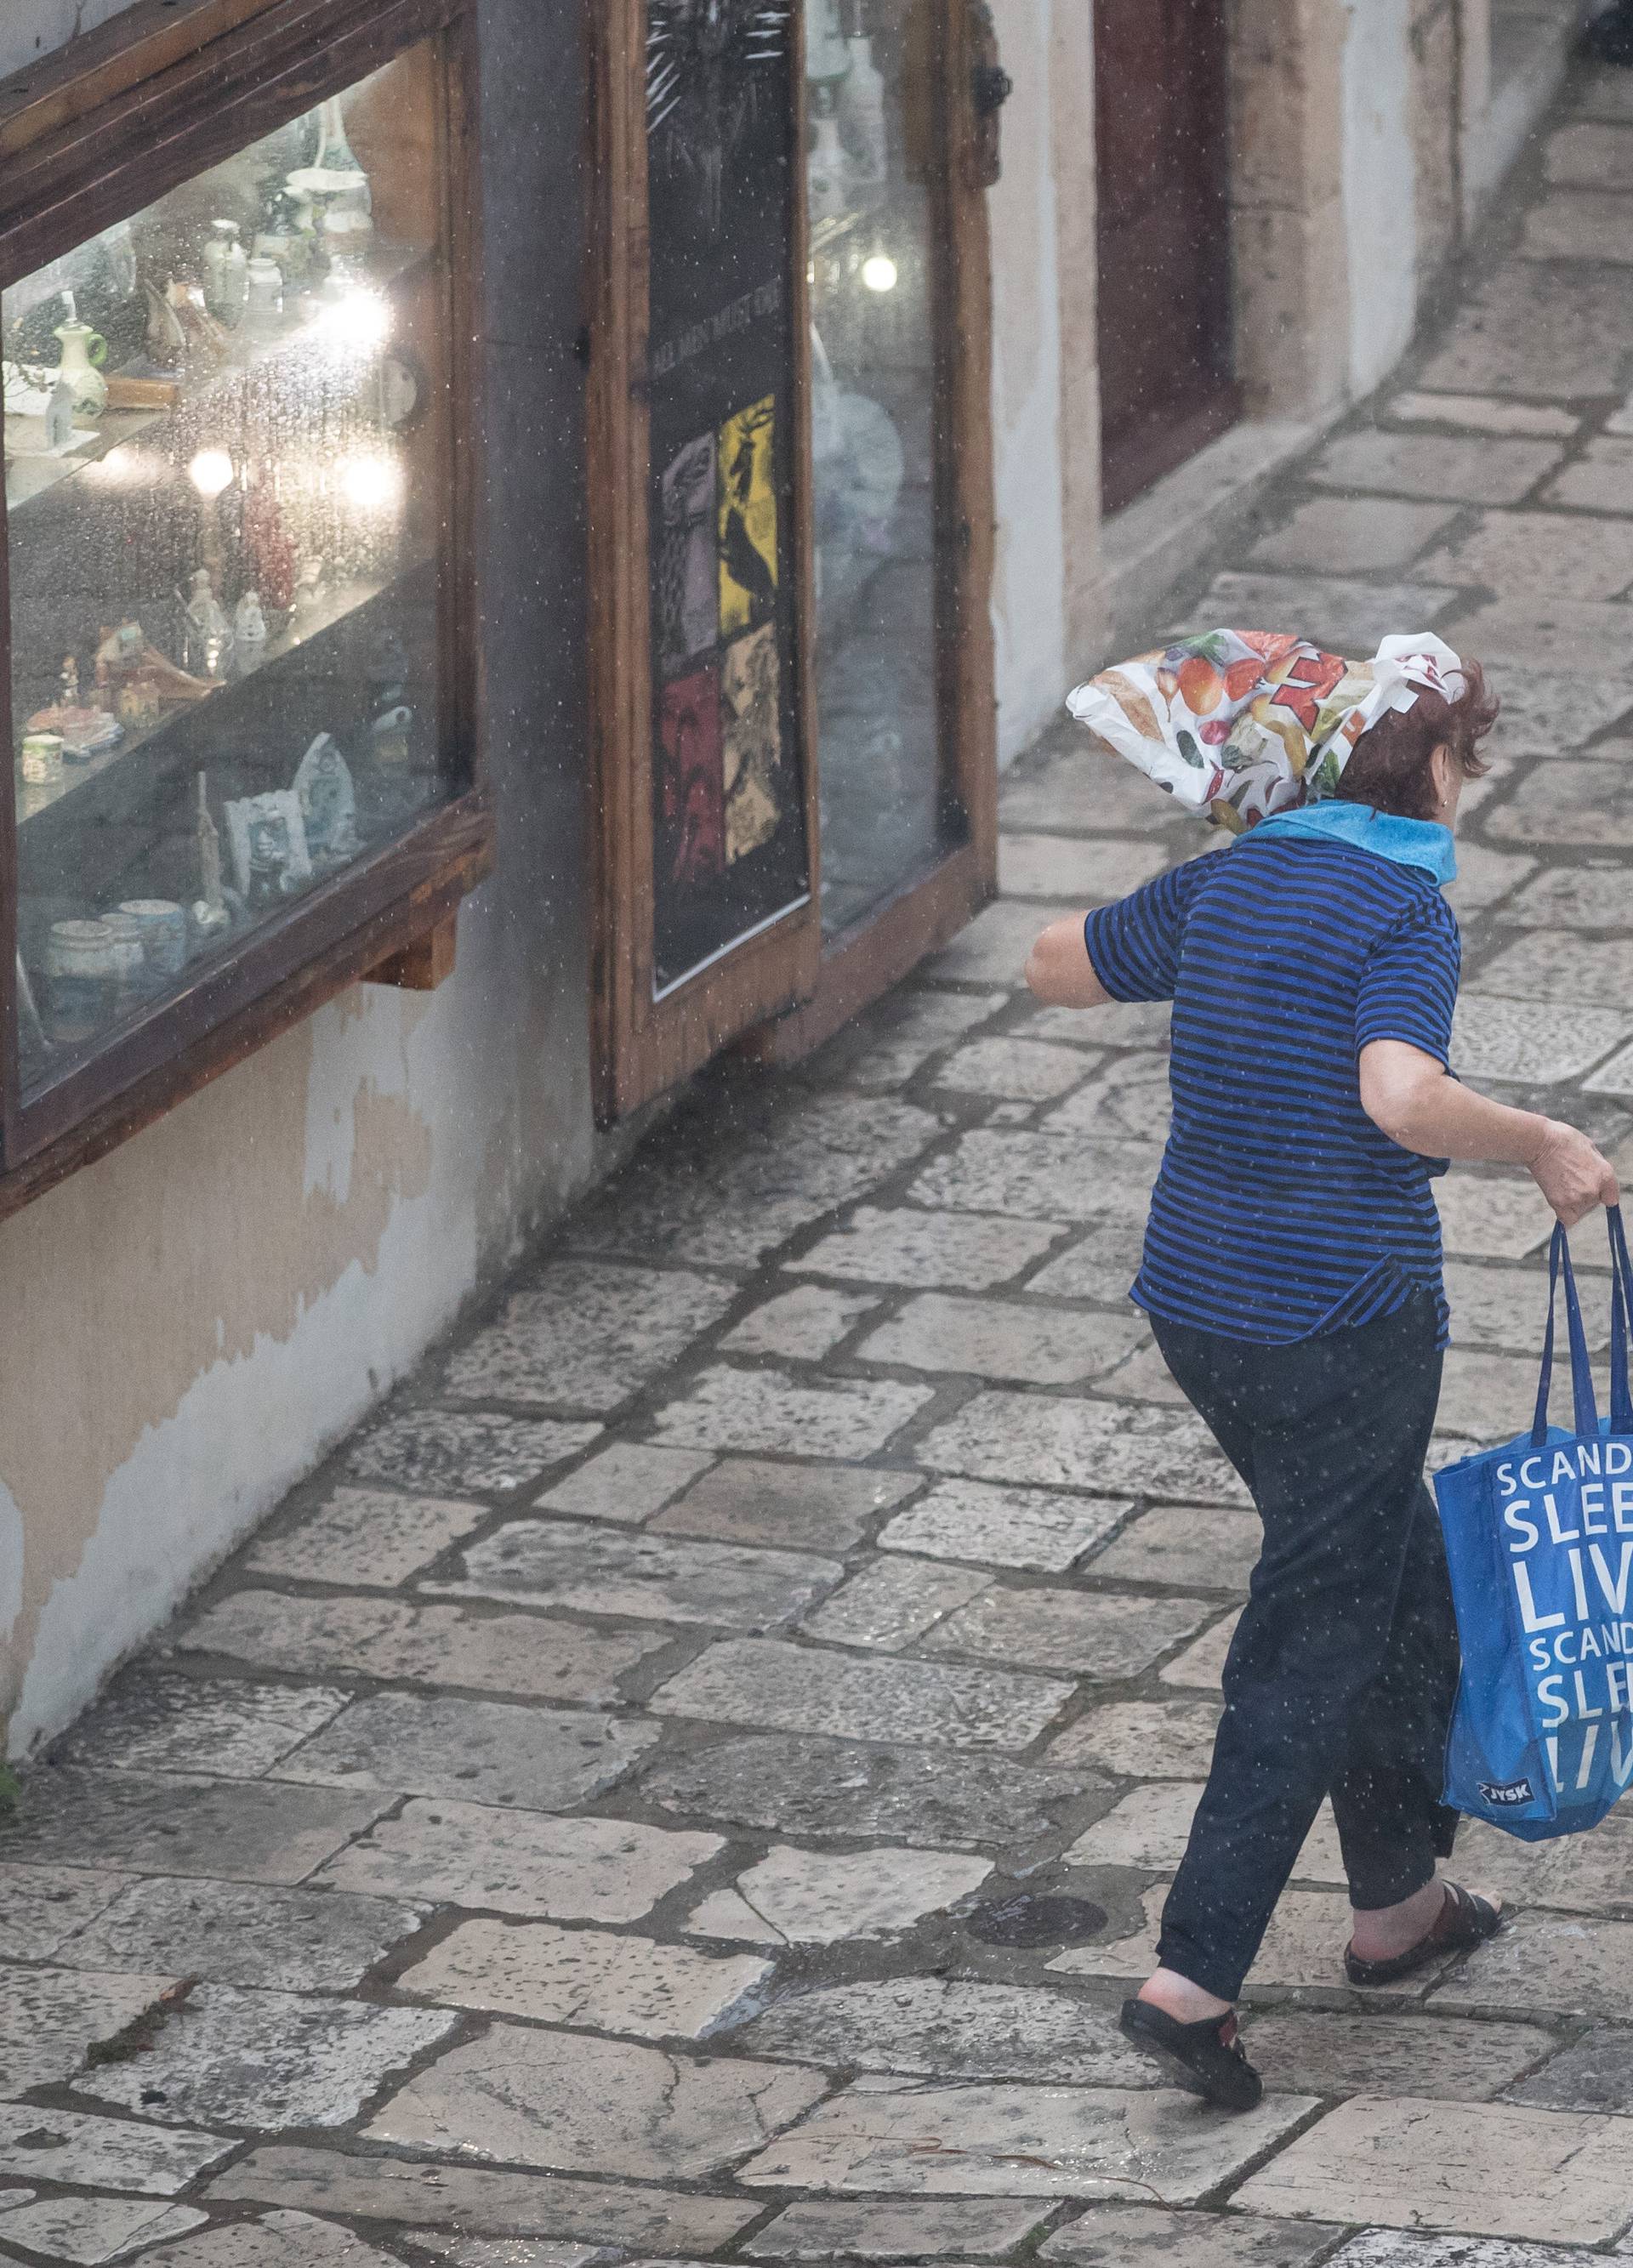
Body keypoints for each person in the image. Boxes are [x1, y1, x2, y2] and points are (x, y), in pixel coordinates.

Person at [1026, 634, 1620, 2112]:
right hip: (1342, 1325)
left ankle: (1398, 1905)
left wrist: (1219, 905)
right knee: (1314, 1629)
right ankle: (1194, 1978)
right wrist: (1543, 1142)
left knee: (1390, 1564)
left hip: (1202, 1314)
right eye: (1468, 764)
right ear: (1430, 767)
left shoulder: (1238, 875)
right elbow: (1399, 1096)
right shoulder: (1404, 907)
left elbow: (1055, 965)